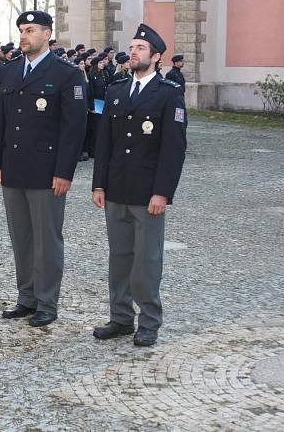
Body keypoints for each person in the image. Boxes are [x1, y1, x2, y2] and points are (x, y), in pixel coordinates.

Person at [91, 23, 187, 347]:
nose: (133, 52)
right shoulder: (116, 90)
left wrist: (162, 192)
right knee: (119, 257)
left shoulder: (168, 94)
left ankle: (149, 321)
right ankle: (120, 317)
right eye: (131, 47)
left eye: (140, 48)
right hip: (116, 189)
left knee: (146, 261)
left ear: (156, 56)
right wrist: (98, 184)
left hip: (148, 194)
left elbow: (174, 150)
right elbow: (103, 143)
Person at [0, 10, 87, 328]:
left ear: (47, 34)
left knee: (46, 239)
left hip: (47, 172)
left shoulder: (65, 73)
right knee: (21, 238)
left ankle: (47, 302)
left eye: (30, 30)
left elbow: (74, 128)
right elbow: (1, 120)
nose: (23, 36)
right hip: (14, 169)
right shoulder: (11, 70)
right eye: (20, 30)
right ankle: (26, 297)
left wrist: (64, 172)